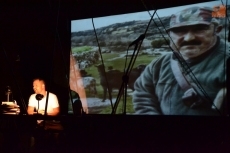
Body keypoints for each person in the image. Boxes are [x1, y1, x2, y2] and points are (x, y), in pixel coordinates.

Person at [132, 6, 229, 115]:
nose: (189, 38)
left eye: (199, 29)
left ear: (217, 30)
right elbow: (143, 93)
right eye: (179, 31)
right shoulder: (159, 64)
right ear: (170, 35)